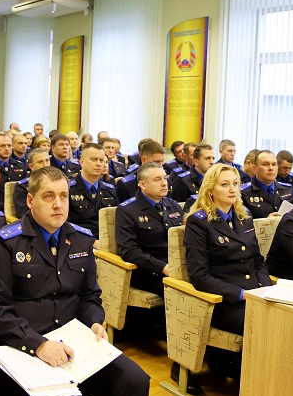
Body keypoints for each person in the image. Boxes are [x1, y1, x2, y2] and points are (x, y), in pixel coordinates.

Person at [0, 167, 150, 396]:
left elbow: (89, 295)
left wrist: (94, 321)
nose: (58, 204)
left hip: (71, 348)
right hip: (17, 349)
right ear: (30, 200)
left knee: (135, 381)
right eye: (48, 196)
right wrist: (38, 344)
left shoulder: (80, 240)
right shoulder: (4, 244)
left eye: (64, 196)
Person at [184, 164, 271, 380]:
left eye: (235, 183)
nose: (232, 189)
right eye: (224, 184)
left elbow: (257, 261)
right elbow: (200, 276)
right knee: (266, 325)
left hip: (255, 294)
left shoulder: (244, 216)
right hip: (224, 302)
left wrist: (266, 289)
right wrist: (241, 294)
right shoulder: (199, 222)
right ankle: (255, 380)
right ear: (210, 190)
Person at [116, 162, 184, 296]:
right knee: (186, 295)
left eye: (165, 178)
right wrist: (163, 267)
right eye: (157, 180)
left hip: (178, 268)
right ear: (142, 184)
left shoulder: (173, 206)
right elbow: (129, 251)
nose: (164, 183)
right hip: (149, 273)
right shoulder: (127, 210)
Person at [67, 144, 118, 238]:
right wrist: (91, 241)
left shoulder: (110, 190)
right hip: (79, 240)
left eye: (101, 160)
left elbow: (116, 221)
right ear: (82, 162)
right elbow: (65, 224)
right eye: (94, 159)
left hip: (107, 239)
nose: (99, 164)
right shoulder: (69, 189)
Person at [240, 150, 293, 218]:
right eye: (265, 164)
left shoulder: (287, 189)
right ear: (255, 168)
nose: (271, 168)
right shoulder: (244, 193)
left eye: (274, 164)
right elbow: (242, 222)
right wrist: (265, 222)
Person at [0, 133, 26, 212]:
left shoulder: (19, 166)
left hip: (17, 208)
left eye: (9, 145)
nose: (7, 148)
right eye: (2, 146)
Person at [12, 148, 51, 219]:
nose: (45, 165)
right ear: (31, 166)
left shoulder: (55, 182)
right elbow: (24, 214)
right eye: (40, 162)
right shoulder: (22, 186)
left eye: (47, 160)